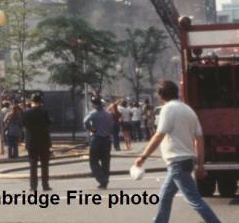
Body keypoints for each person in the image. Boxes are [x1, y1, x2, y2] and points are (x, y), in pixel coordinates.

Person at [134, 80, 221, 223]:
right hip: (186, 160)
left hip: (177, 161)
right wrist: (200, 164)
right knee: (165, 196)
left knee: (194, 200)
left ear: (161, 95)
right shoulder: (188, 110)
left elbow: (159, 135)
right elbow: (199, 138)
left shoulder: (168, 109)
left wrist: (143, 157)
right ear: (176, 92)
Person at [22, 93, 52, 191]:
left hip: (31, 141)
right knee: (44, 165)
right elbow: (49, 123)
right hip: (44, 141)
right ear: (40, 102)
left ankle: (33, 186)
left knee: (33, 165)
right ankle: (45, 185)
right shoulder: (45, 112)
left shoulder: (26, 113)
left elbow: (23, 125)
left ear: (31, 101)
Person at [83, 96, 114, 189]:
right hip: (107, 139)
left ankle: (102, 179)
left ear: (94, 104)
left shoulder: (93, 114)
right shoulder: (108, 115)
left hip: (96, 139)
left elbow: (85, 121)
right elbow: (111, 125)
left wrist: (91, 129)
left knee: (93, 161)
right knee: (105, 161)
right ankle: (105, 181)